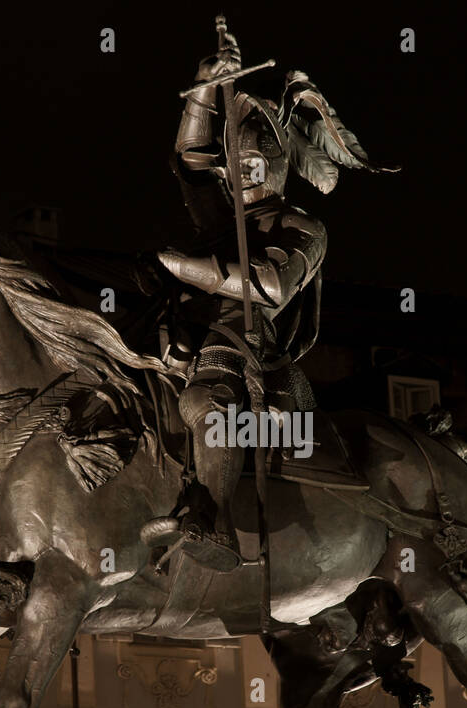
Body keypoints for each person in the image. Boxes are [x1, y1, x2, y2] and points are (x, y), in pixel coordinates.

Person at [149, 30, 395, 572]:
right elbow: (189, 158)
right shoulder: (220, 218)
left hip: (246, 345)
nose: (247, 170)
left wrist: (188, 267)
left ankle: (212, 522)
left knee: (208, 404)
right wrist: (205, 87)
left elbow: (270, 285)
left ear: (279, 163)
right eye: (240, 161)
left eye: (257, 160)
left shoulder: (301, 224)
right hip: (186, 328)